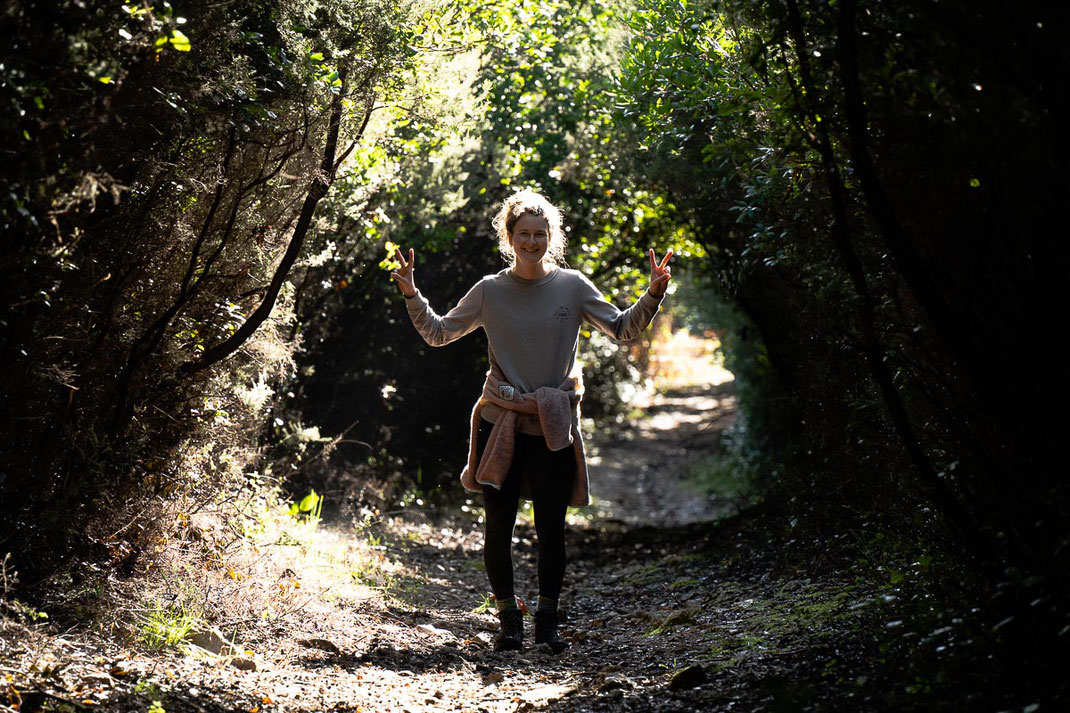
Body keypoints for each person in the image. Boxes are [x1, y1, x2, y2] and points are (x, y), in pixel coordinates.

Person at [390, 189, 671, 653]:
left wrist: (654, 292)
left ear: (551, 237)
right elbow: (439, 333)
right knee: (496, 528)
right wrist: (411, 293)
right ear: (509, 236)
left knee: (551, 530)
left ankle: (546, 619)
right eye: (524, 234)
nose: (532, 242)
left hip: (552, 426)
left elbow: (623, 328)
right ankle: (507, 620)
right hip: (500, 421)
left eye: (541, 234)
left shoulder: (573, 286)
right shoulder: (490, 290)